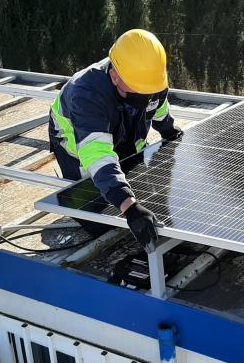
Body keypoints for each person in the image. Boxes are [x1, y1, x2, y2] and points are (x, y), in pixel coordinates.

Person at [48, 29, 183, 250]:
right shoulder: (86, 94)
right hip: (81, 147)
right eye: (138, 91)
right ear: (114, 75)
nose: (145, 96)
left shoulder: (151, 82)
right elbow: (97, 154)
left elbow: (158, 106)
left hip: (123, 134)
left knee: (149, 195)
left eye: (150, 91)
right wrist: (130, 208)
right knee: (101, 220)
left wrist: (169, 130)